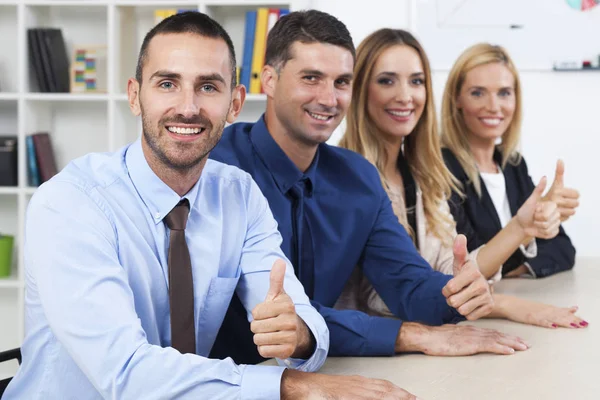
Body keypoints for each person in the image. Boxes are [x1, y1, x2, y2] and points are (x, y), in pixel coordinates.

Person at [3, 11, 358, 400]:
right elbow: (125, 372)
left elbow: (298, 313)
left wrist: (298, 334)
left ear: (235, 103)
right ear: (135, 96)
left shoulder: (239, 195)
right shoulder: (70, 204)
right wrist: (287, 385)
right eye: (168, 83)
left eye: (208, 87)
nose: (188, 108)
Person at [209, 9, 530, 375]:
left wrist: (454, 292)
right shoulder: (218, 167)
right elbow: (270, 316)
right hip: (219, 381)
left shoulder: (357, 177)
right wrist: (408, 335)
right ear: (269, 79)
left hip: (324, 374)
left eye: (342, 82)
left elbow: (408, 284)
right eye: (311, 78)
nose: (329, 99)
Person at [337, 28, 587, 330]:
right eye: (386, 80)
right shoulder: (346, 175)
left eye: (416, 81)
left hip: (417, 342)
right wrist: (505, 304)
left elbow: (450, 268)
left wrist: (521, 227)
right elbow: (387, 297)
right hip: (360, 353)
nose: (405, 95)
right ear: (360, 88)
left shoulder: (421, 174)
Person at [439, 42, 578, 279]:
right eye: (477, 93)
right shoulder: (441, 167)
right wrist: (527, 233)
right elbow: (471, 259)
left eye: (504, 93)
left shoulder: (512, 165)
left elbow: (563, 248)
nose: (494, 107)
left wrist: (516, 267)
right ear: (456, 99)